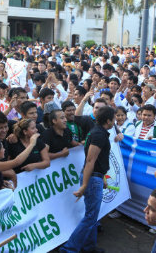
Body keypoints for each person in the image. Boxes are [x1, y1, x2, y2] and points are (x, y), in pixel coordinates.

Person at [60, 106, 115, 253]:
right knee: (91, 217)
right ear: (108, 120)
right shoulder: (99, 135)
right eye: (113, 119)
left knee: (92, 216)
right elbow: (90, 160)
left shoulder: (98, 132)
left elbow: (95, 161)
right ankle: (69, 249)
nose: (114, 121)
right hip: (91, 179)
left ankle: (89, 247)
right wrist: (84, 185)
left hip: (94, 178)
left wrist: (100, 177)